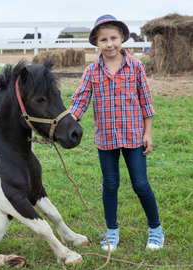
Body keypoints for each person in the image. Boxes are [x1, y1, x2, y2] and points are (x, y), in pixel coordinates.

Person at [70, 14, 164, 251]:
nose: (109, 44)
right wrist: (65, 123)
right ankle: (111, 231)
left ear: (122, 38)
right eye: (104, 40)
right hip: (106, 139)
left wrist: (148, 133)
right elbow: (80, 102)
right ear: (96, 43)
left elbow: (146, 102)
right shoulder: (92, 71)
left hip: (133, 137)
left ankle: (155, 229)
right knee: (110, 184)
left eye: (113, 38)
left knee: (141, 184)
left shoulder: (136, 67)